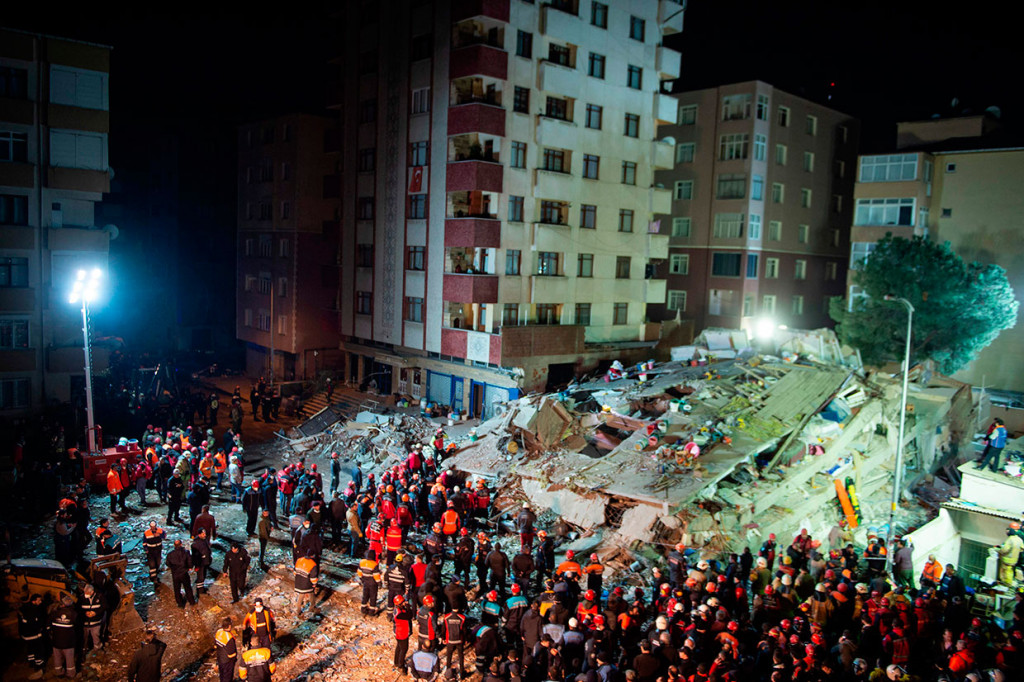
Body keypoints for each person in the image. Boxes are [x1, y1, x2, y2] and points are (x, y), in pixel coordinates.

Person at [19, 593, 48, 679]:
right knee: (38, 650)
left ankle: (31, 663)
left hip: (26, 635)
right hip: (34, 635)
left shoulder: (24, 608)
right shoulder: (34, 610)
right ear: (33, 601)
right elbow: (35, 623)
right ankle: (39, 666)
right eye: (39, 600)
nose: (40, 602)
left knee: (30, 649)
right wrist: (40, 631)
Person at [50, 594, 78, 678]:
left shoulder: (54, 613)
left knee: (57, 657)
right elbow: (77, 627)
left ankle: (59, 672)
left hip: (56, 641)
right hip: (68, 642)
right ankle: (70, 674)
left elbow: (49, 625)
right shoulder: (73, 614)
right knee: (69, 658)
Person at [166, 539, 196, 608]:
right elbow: (190, 561)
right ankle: (191, 601)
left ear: (174, 545)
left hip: (175, 574)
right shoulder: (186, 552)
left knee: (177, 589)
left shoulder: (170, 554)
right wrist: (189, 567)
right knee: (187, 587)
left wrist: (173, 568)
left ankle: (180, 603)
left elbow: (168, 563)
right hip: (184, 573)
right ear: (181, 544)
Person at [78, 583, 105, 652]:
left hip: (96, 622)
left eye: (87, 593)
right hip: (85, 623)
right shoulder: (81, 598)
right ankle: (84, 650)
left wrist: (95, 613)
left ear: (92, 592)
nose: (86, 594)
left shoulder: (99, 597)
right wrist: (85, 613)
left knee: (96, 636)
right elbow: (78, 609)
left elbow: (104, 607)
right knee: (84, 637)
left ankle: (97, 650)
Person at [442, 606, 467, 678]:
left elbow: (443, 628)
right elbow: (464, 630)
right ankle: (462, 673)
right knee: (461, 656)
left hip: (450, 640)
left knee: (449, 656)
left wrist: (443, 638)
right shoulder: (462, 618)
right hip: (459, 640)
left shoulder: (446, 617)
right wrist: (465, 639)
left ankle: (448, 672)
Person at [294, 551, 320, 618]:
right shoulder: (312, 564)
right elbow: (313, 577)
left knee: (300, 596)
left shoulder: (299, 560)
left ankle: (298, 611)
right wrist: (314, 584)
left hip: (298, 582)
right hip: (306, 584)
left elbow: (295, 572)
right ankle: (312, 608)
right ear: (312, 556)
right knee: (312, 595)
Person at [393, 594, 414, 673]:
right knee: (404, 649)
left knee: (399, 647)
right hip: (402, 633)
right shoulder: (400, 614)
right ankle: (401, 665)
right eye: (403, 602)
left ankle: (396, 662)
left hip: (399, 633)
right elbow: (409, 615)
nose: (404, 603)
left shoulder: (397, 610)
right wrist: (408, 607)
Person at [215, 617, 239, 682]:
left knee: (222, 675)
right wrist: (234, 660)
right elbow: (232, 654)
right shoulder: (229, 638)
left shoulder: (219, 632)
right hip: (227, 661)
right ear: (229, 626)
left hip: (220, 659)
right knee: (227, 678)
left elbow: (216, 645)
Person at [360, 549, 382, 615]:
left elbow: (359, 572)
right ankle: (371, 611)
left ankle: (363, 609)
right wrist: (379, 583)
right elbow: (376, 576)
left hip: (365, 582)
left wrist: (362, 579)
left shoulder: (362, 562)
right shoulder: (374, 564)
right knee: (373, 596)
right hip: (373, 583)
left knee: (365, 595)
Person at [191, 528, 214, 595]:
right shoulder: (195, 544)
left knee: (203, 575)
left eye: (205, 533)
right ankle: (200, 589)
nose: (205, 535)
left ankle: (201, 587)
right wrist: (197, 565)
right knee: (200, 576)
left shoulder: (204, 540)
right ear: (199, 534)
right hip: (200, 563)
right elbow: (195, 556)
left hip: (205, 561)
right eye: (203, 534)